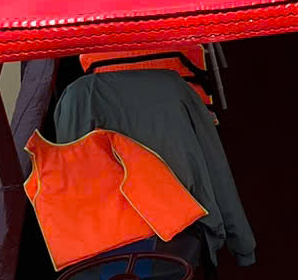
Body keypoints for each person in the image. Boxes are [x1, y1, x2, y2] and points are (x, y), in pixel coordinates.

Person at [50, 67, 256, 266]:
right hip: (178, 214)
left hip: (107, 226)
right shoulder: (172, 86)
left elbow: (70, 179)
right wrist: (243, 246)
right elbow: (215, 165)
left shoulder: (79, 96)